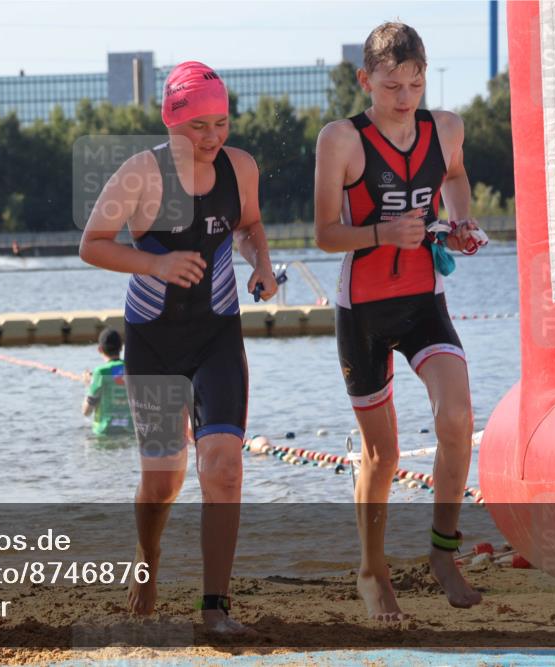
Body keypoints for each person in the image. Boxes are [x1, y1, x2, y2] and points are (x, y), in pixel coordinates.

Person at [79, 61, 277, 634]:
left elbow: (250, 224)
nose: (213, 136)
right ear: (171, 121)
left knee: (223, 468)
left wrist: (260, 262)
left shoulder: (240, 167)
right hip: (155, 343)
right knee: (163, 480)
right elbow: (92, 244)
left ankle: (214, 607)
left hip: (218, 336)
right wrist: (156, 263)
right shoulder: (140, 175)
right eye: (199, 126)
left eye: (221, 123)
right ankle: (148, 558)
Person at [313, 22, 487, 621]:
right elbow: (325, 234)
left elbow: (456, 176)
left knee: (458, 416)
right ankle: (372, 569)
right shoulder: (341, 140)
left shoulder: (447, 128)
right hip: (361, 308)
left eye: (415, 83)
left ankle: (443, 551)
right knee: (382, 456)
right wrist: (384, 232)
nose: (406, 96)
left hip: (422, 302)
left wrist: (460, 222)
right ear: (365, 81)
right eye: (391, 86)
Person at [82, 327, 133, 436]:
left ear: (100, 349)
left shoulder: (100, 372)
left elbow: (86, 411)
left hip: (105, 432)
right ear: (121, 348)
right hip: (129, 430)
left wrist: (88, 385)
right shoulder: (132, 368)